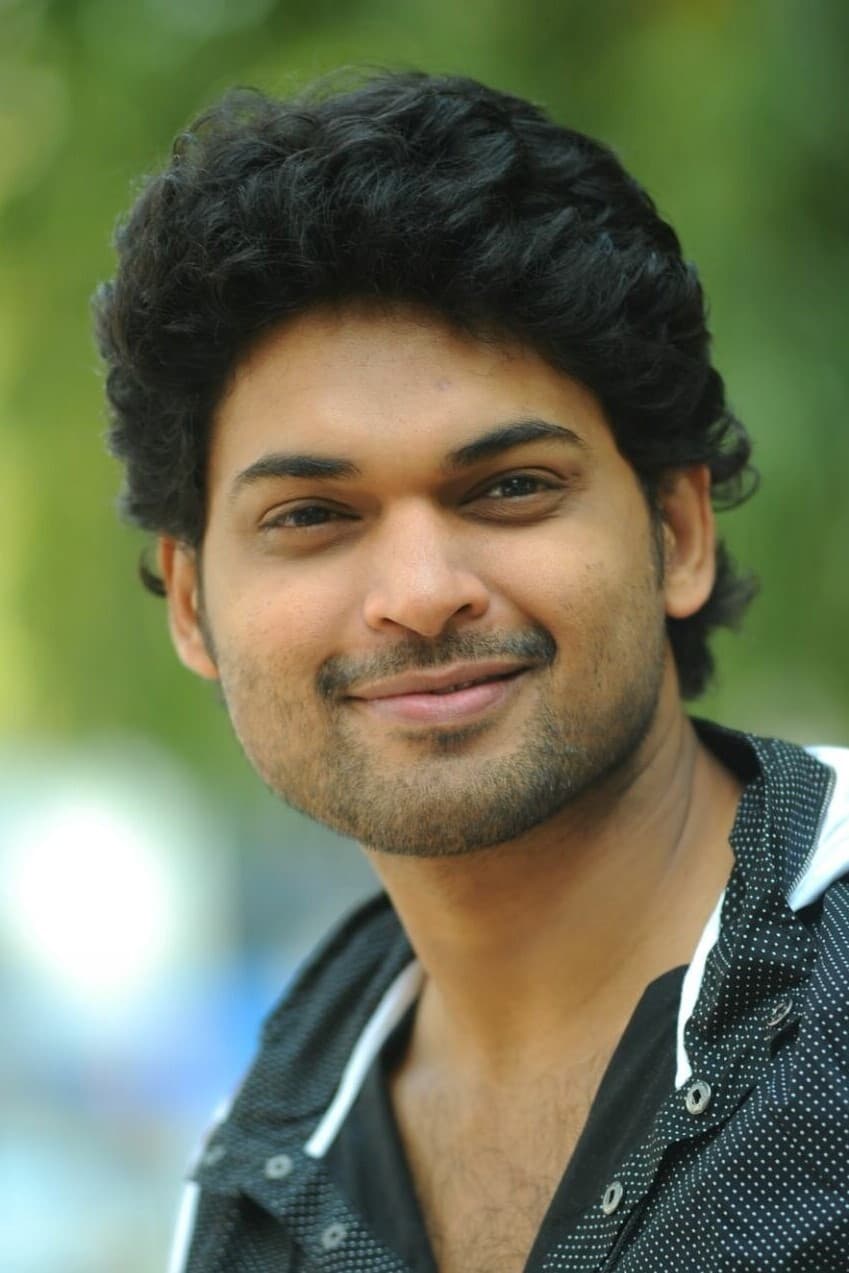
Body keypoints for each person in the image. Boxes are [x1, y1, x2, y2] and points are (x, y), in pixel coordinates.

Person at [94, 71, 849, 1272]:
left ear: (676, 532)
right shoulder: (250, 1191)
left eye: (509, 487)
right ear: (192, 605)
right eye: (312, 514)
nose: (419, 590)